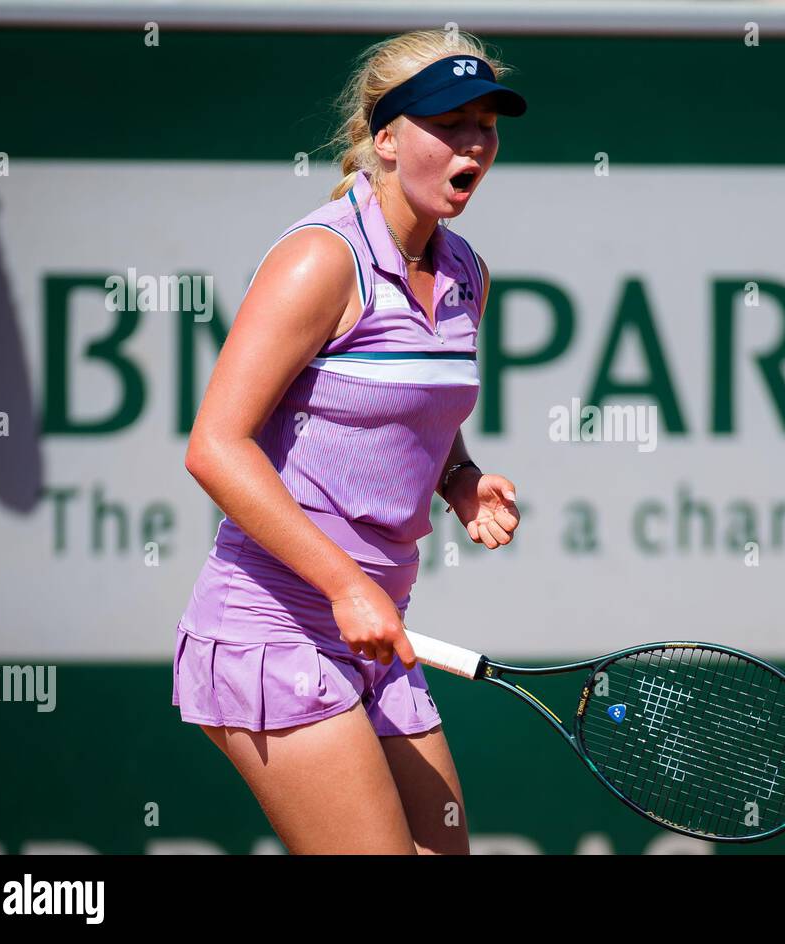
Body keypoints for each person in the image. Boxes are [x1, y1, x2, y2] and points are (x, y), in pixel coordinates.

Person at [171, 29, 526, 854]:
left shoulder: (466, 270)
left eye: (486, 123)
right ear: (388, 137)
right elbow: (215, 446)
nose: (474, 141)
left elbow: (411, 413)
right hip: (272, 628)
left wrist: (461, 478)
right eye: (450, 122)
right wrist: (342, 584)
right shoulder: (320, 261)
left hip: (378, 631)